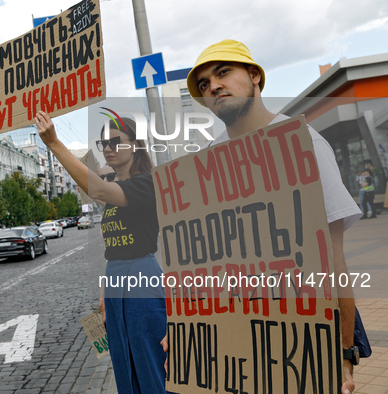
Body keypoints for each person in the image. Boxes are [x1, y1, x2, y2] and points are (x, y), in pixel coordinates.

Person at [160, 39, 361, 394]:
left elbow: (332, 258)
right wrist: (184, 326)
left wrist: (345, 352)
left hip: (298, 338)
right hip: (236, 341)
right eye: (204, 84)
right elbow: (207, 261)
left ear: (254, 75)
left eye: (223, 72)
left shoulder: (304, 144)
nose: (214, 86)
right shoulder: (207, 160)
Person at [36, 111, 168, 394]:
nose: (107, 148)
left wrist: (54, 144)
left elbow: (99, 191)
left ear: (135, 145)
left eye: (115, 142)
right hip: (116, 279)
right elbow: (115, 249)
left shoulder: (145, 183)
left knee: (150, 362)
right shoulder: (116, 191)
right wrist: (104, 293)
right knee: (123, 363)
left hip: (142, 277)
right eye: (103, 143)